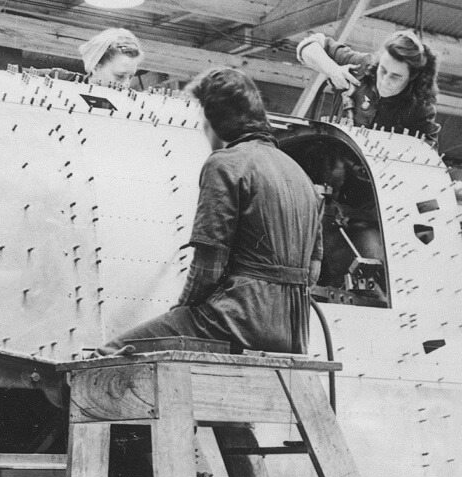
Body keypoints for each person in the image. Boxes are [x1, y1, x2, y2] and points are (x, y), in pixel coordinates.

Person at [99, 67, 323, 355]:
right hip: (293, 332)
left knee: (109, 354)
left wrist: (182, 312)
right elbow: (313, 270)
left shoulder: (225, 164)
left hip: (237, 321)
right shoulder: (300, 175)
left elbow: (209, 266)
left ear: (213, 121)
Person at [296, 29, 440, 142]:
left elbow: (428, 157)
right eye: (383, 70)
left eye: (395, 77)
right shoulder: (361, 65)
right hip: (332, 159)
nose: (384, 80)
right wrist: (333, 70)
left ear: (412, 77)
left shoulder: (421, 108)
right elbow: (308, 45)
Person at [27, 28, 144, 88]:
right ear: (95, 67)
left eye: (131, 77)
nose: (126, 85)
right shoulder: (56, 78)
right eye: (119, 76)